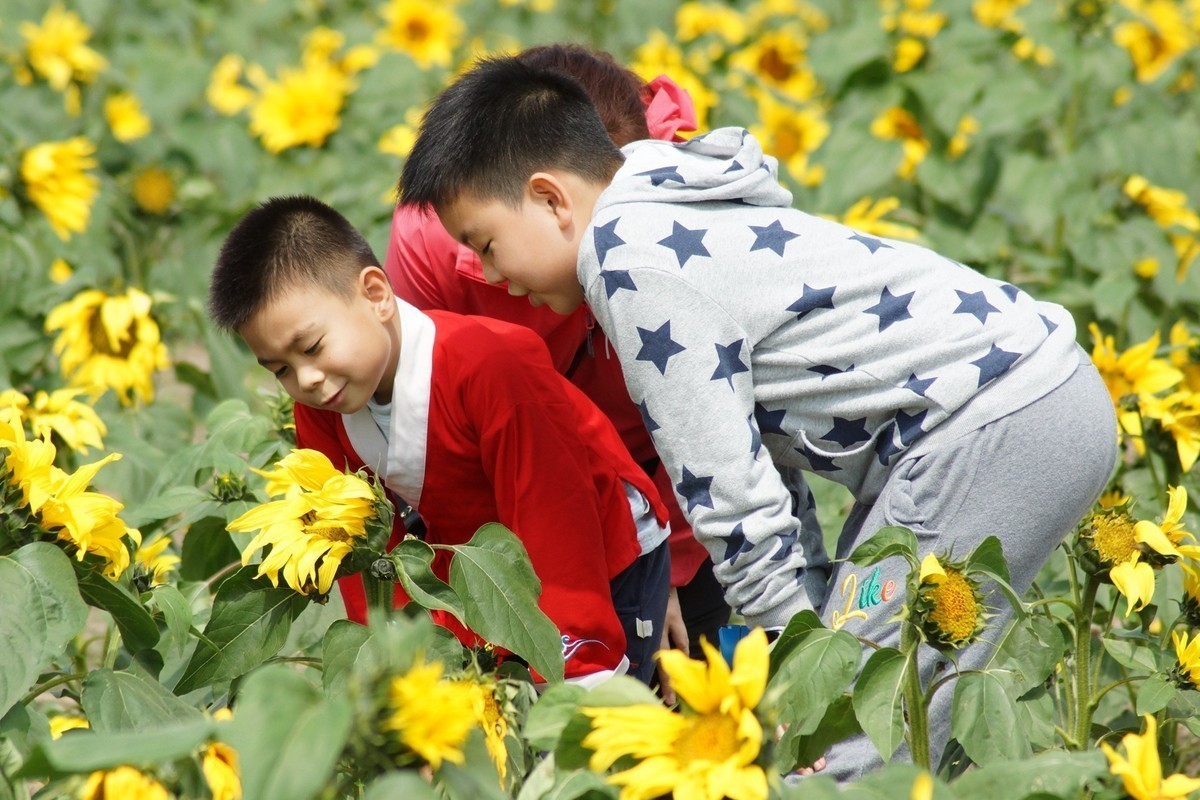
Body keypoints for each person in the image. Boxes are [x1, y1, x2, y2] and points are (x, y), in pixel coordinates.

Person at [395, 56, 1118, 778]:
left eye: (487, 245)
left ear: (552, 199)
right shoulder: (664, 202)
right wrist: (803, 627)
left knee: (846, 733)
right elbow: (764, 462)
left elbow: (729, 493)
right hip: (1013, 404)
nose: (488, 277)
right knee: (888, 701)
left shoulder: (627, 263)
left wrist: (788, 671)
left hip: (991, 422)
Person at [207, 194, 672, 687]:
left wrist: (571, 672)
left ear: (376, 294)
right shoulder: (323, 406)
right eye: (281, 370)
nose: (308, 379)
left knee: (598, 717)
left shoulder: (493, 365)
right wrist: (399, 667)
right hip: (478, 553)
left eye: (313, 348)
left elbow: (555, 519)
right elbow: (359, 547)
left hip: (598, 546)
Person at [384, 44, 730, 679]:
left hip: (683, 486)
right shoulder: (443, 233)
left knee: (710, 663)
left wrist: (672, 563)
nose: (491, 271)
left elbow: (706, 417)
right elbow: (433, 420)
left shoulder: (659, 213)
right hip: (520, 488)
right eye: (480, 249)